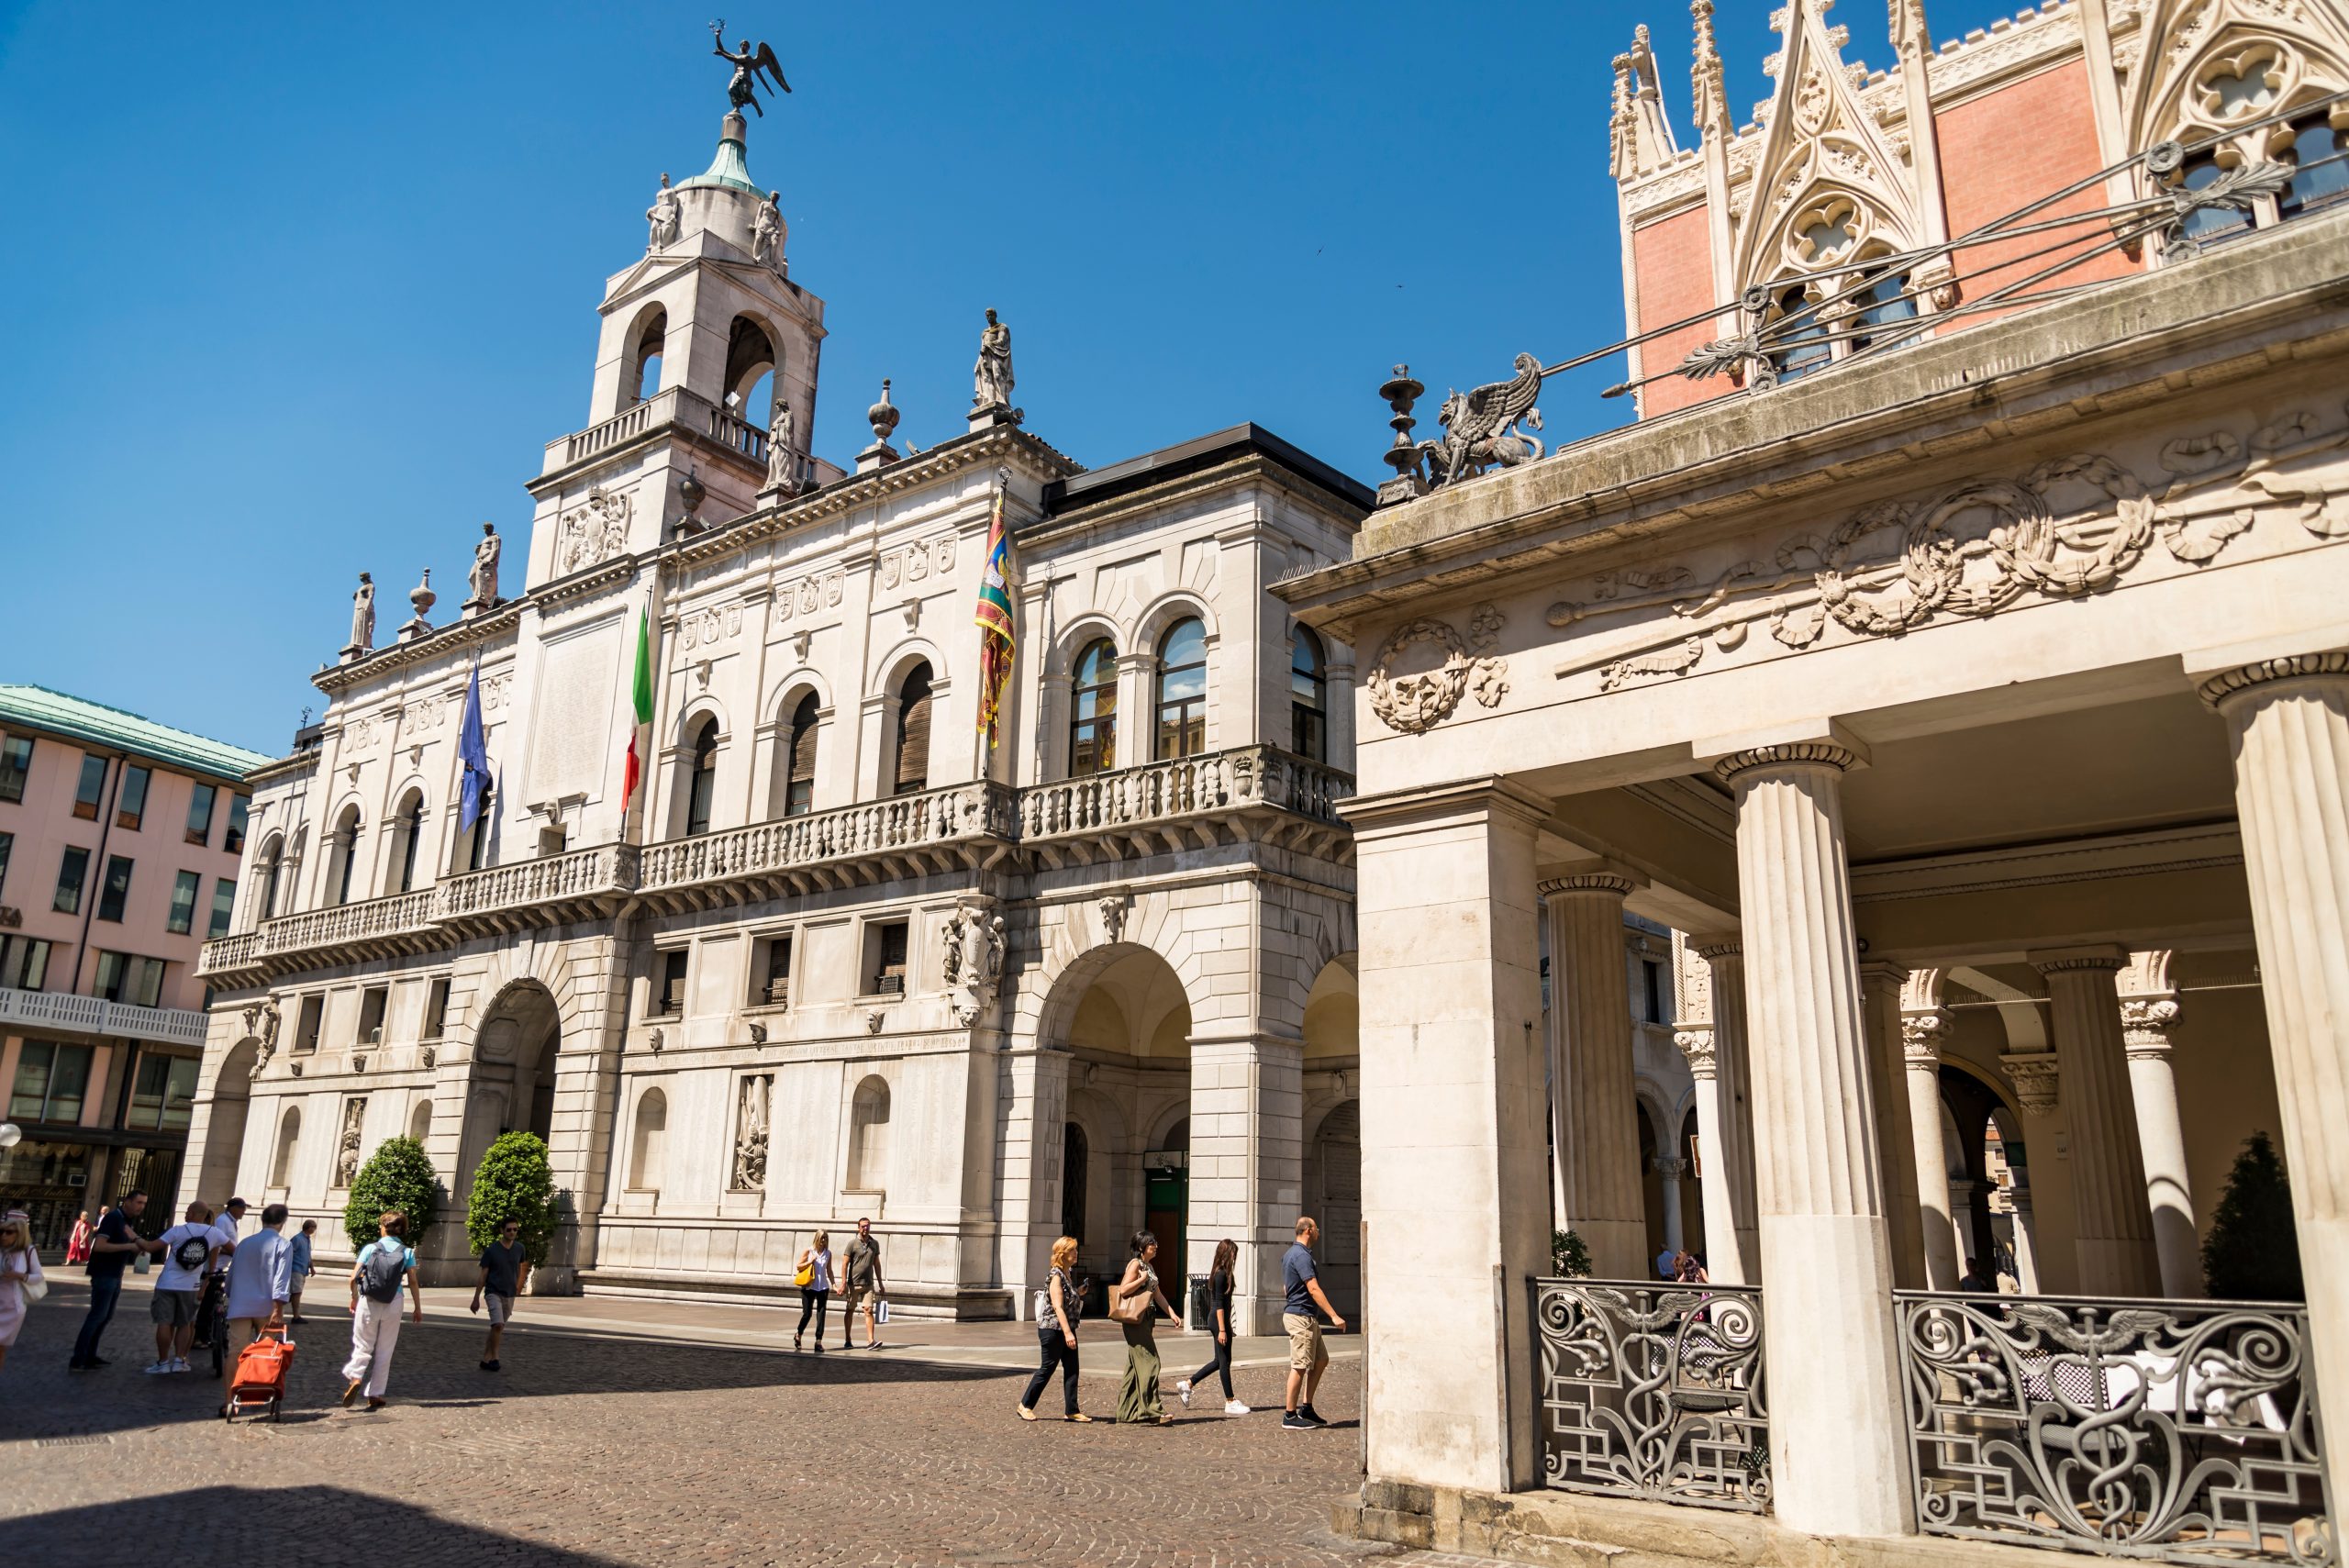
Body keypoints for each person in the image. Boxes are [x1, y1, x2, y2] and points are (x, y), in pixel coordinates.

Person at [71, 1189, 162, 1370]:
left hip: (114, 1274)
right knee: (97, 1315)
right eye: (139, 1202)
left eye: (144, 1203)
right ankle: (78, 1358)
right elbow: (99, 1246)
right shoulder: (113, 1218)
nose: (141, 1207)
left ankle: (90, 1355)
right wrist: (129, 1246)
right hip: (104, 1273)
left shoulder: (125, 1220)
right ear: (126, 1201)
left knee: (105, 1316)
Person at [341, 1210, 422, 1410]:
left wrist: (353, 1298)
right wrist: (418, 1307)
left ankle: (355, 1376)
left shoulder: (371, 1248)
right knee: (385, 1349)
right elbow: (412, 1280)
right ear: (402, 1230)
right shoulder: (407, 1252)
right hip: (394, 1301)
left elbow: (353, 1278)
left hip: (369, 1299)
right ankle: (375, 1393)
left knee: (362, 1343)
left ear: (383, 1227)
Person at [218, 1203, 293, 1416]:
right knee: (268, 1354)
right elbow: (281, 1279)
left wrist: (232, 1297)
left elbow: (231, 1276)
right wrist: (278, 1309)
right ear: (282, 1222)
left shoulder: (244, 1243)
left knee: (235, 1352)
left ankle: (229, 1402)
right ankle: (262, 1396)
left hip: (240, 1304)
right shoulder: (282, 1244)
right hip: (267, 1308)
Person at [1282, 1215, 1347, 1430]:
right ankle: (1290, 1416)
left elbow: (1286, 1288)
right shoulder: (1301, 1256)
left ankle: (1307, 1407)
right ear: (1309, 1230)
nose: (1318, 1232)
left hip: (1305, 1316)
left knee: (1321, 1359)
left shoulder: (1290, 1254)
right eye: (1316, 1229)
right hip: (1301, 1317)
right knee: (1300, 1365)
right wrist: (1334, 1316)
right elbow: (1313, 1288)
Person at [1018, 1235, 1091, 1422]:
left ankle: (1071, 1409)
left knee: (1072, 1368)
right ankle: (1025, 1405)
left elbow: (1066, 1300)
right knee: (1047, 1368)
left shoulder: (1066, 1275)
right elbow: (1058, 1306)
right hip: (1053, 1329)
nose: (1076, 1253)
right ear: (1063, 1254)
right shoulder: (1056, 1276)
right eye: (1073, 1250)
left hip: (1066, 1328)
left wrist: (1079, 1292)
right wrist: (1067, 1333)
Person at [1112, 1229, 1181, 1425]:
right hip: (1136, 1321)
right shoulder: (1136, 1265)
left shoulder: (1149, 1266)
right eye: (1152, 1243)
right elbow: (1124, 1289)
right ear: (1142, 1247)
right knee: (1151, 1361)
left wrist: (1172, 1313)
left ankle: (1126, 1412)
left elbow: (1157, 1294)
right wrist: (1141, 1280)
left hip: (1147, 1319)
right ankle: (1152, 1411)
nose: (1156, 1246)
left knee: (1135, 1367)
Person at [146, 1201, 221, 1374]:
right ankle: (180, 1360)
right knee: (185, 1323)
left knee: (164, 1323)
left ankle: (163, 1362)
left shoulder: (178, 1230)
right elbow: (234, 1250)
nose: (186, 1214)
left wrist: (134, 1238)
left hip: (167, 1283)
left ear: (193, 1214)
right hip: (191, 1286)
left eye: (188, 1211)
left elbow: (151, 1246)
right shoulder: (214, 1233)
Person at [1176, 1238, 1249, 1416]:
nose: (1235, 1257)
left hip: (1219, 1321)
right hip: (1218, 1322)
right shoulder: (1220, 1274)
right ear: (1226, 1254)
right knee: (1225, 1362)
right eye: (1233, 1253)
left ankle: (1188, 1384)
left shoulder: (1222, 1273)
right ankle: (1230, 1401)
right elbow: (1218, 1304)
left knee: (1219, 1361)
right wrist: (1223, 1329)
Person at [471, 1218, 530, 1371]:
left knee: (497, 1328)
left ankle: (485, 1358)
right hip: (493, 1292)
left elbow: (521, 1266)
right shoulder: (492, 1250)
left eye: (515, 1229)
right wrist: (476, 1298)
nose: (512, 1232)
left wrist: (518, 1287)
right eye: (509, 1229)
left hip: (510, 1294)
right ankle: (495, 1358)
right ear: (502, 1230)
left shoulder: (519, 1248)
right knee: (498, 1324)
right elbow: (483, 1275)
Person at [1, 1209, 42, 1376]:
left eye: (9, 1232)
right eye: (1, 1230)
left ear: (20, 1232)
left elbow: (38, 1277)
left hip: (12, 1308)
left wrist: (20, 1276)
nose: (3, 1235)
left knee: (0, 1349)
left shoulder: (28, 1251)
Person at [838, 1218, 886, 1350]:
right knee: (850, 1310)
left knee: (869, 1310)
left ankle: (870, 1340)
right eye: (863, 1226)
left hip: (868, 1284)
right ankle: (848, 1339)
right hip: (853, 1284)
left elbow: (877, 1264)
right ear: (858, 1228)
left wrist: (881, 1283)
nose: (865, 1228)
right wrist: (843, 1283)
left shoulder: (874, 1244)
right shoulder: (852, 1244)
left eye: (867, 1226)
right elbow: (845, 1264)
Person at [794, 1229, 833, 1351]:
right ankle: (798, 1334)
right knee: (807, 1314)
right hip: (809, 1286)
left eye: (825, 1238)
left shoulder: (828, 1253)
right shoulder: (809, 1251)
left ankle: (818, 1341)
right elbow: (798, 1266)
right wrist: (809, 1262)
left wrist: (834, 1284)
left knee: (821, 1314)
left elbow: (829, 1270)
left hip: (823, 1287)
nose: (823, 1241)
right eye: (821, 1238)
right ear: (817, 1238)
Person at [287, 1219, 317, 1323]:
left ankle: (278, 1307)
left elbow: (308, 1255)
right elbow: (289, 1253)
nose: (314, 1230)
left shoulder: (307, 1239)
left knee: (295, 1294)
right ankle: (296, 1316)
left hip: (303, 1269)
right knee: (296, 1293)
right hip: (296, 1269)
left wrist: (312, 1267)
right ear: (308, 1227)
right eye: (313, 1227)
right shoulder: (297, 1239)